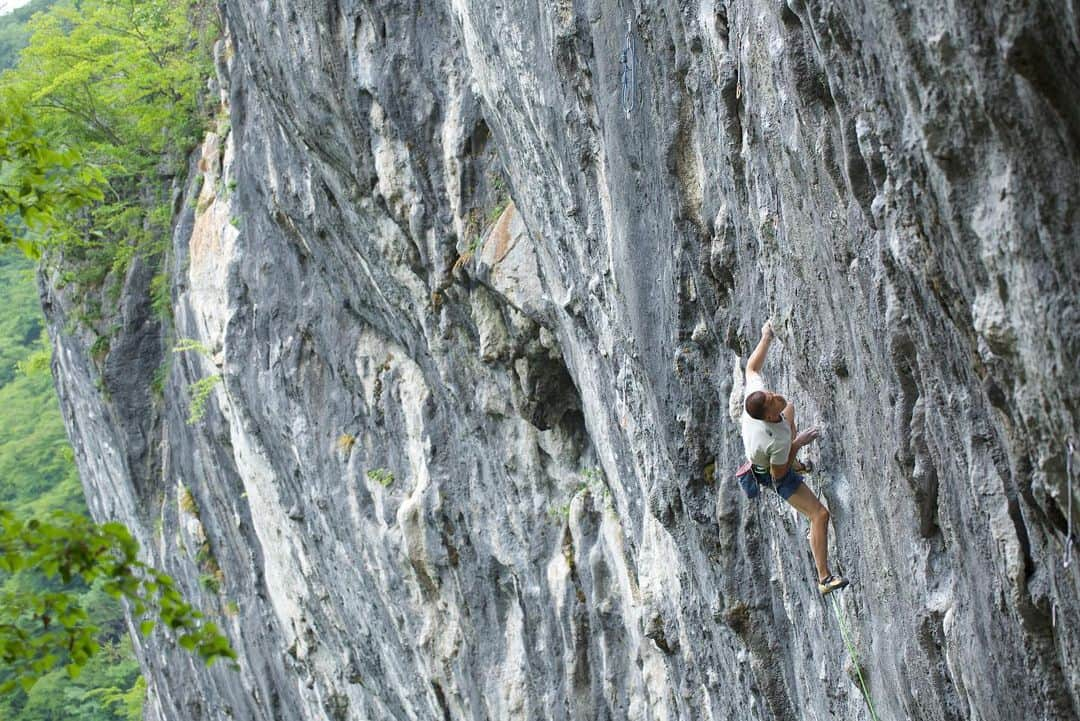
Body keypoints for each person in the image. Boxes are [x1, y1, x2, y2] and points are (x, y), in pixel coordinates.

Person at [741, 319, 848, 595]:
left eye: (770, 393)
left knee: (790, 411)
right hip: (772, 472)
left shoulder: (756, 397)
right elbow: (779, 475)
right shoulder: (774, 439)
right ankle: (824, 579)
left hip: (773, 453)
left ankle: (798, 460)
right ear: (767, 415)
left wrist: (766, 338)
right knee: (819, 514)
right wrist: (797, 444)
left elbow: (751, 368)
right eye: (772, 399)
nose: (775, 394)